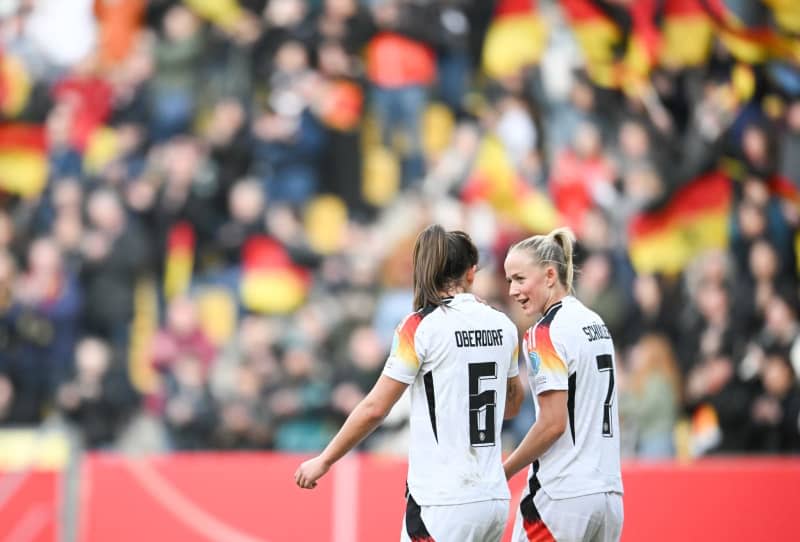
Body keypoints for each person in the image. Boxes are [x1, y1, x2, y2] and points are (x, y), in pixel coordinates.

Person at [295, 224, 525, 541]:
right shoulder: (502, 324)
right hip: (493, 498)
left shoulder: (420, 326)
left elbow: (376, 407)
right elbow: (512, 406)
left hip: (442, 500)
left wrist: (325, 459)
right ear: (470, 274)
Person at [503, 227, 624, 542]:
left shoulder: (544, 332)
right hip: (609, 495)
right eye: (509, 281)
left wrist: (504, 470)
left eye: (519, 279)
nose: (513, 291)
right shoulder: (596, 323)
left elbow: (552, 424)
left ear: (549, 275)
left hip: (563, 496)